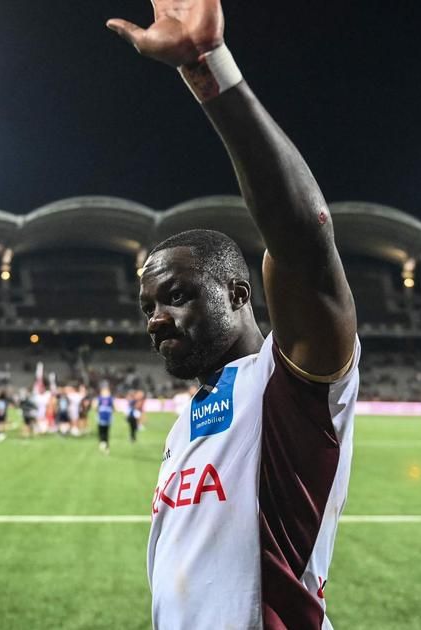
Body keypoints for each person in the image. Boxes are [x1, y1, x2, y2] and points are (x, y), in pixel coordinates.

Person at [108, 2, 360, 626]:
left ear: (241, 294)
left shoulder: (289, 389)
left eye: (176, 296)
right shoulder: (188, 421)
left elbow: (305, 237)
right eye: (147, 307)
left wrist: (208, 69)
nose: (156, 320)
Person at [95, 384, 115, 454]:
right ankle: (104, 445)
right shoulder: (107, 398)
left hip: (105, 417)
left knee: (104, 432)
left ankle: (104, 444)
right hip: (103, 416)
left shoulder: (106, 398)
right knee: (103, 431)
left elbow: (96, 407)